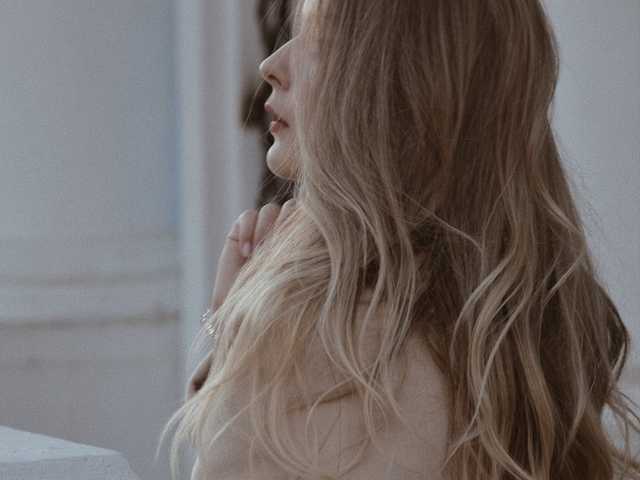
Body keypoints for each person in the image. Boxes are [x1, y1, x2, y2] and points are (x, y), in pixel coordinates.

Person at [157, 0, 640, 479]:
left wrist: (232, 330)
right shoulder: (539, 332)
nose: (272, 65)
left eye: (323, 41)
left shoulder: (310, 342)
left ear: (402, 95)